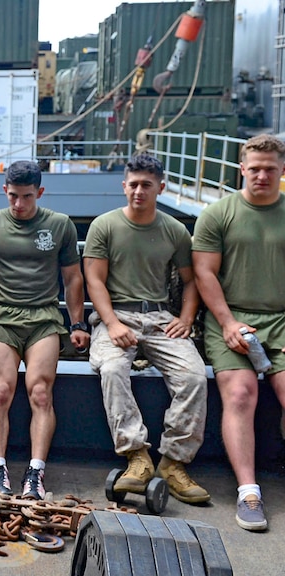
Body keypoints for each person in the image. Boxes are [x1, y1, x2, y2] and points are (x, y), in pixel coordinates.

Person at [0, 160, 89, 500]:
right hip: (1, 317)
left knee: (40, 392)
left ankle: (35, 472)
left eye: (26, 196)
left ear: (39, 193)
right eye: (13, 196)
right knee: (0, 390)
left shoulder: (59, 226)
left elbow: (73, 277)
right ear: (5, 191)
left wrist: (77, 324)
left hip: (44, 318)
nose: (18, 204)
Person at [83, 154, 210, 505]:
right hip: (116, 315)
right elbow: (94, 279)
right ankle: (136, 457)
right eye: (133, 184)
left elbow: (191, 281)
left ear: (160, 188)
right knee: (111, 369)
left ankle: (173, 462)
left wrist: (184, 319)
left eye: (147, 186)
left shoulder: (174, 230)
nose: (139, 191)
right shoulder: (105, 226)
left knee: (194, 376)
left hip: (158, 318)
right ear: (124, 186)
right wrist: (111, 323)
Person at [192, 133, 285, 531]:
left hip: (281, 317)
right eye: (255, 168)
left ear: (282, 171)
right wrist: (228, 322)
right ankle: (249, 492)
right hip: (230, 317)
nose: (262, 175)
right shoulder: (219, 214)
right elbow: (204, 272)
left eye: (270, 169)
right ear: (241, 169)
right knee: (241, 392)